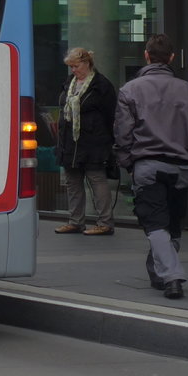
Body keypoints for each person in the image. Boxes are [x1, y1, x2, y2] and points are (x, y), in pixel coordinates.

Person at [113, 34, 188, 300]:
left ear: (146, 55)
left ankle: (172, 277)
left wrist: (126, 162)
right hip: (182, 166)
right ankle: (159, 272)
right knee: (172, 225)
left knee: (155, 224)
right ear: (172, 58)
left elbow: (123, 133)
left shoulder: (130, 90)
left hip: (147, 164)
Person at [53, 47, 118, 236]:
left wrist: (107, 139)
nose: (73, 70)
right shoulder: (69, 83)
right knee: (73, 182)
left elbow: (110, 114)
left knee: (97, 180)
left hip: (93, 141)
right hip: (70, 142)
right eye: (71, 67)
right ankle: (75, 221)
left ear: (87, 63)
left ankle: (105, 222)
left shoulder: (101, 85)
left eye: (76, 66)